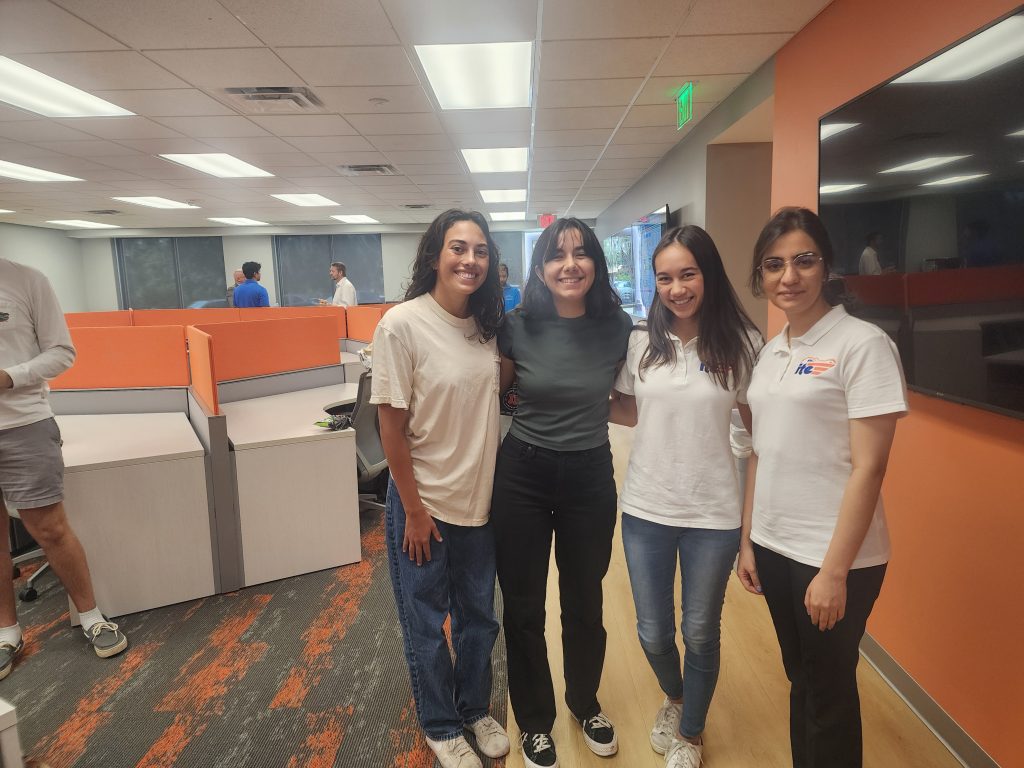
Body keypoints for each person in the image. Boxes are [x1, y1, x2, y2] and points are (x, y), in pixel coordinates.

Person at [737, 207, 907, 768]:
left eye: (803, 261)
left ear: (827, 266)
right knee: (801, 678)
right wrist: (748, 540)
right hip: (774, 545)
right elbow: (760, 451)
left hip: (834, 556)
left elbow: (870, 468)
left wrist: (834, 572)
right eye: (774, 264)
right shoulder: (772, 352)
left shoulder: (863, 344)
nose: (789, 276)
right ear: (761, 275)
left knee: (828, 691)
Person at [608, 225, 761, 768]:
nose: (676, 288)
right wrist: (566, 395)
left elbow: (758, 441)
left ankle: (691, 734)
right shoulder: (640, 340)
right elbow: (629, 411)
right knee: (652, 632)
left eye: (688, 274)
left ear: (708, 274)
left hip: (713, 515)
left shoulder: (742, 343)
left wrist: (750, 536)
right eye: (665, 278)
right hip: (646, 508)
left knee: (699, 630)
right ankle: (675, 699)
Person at [491, 217, 633, 768]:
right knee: (524, 604)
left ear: (596, 263)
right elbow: (494, 395)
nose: (569, 265)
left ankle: (585, 702)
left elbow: (626, 400)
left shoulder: (617, 325)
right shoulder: (516, 324)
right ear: (541, 268)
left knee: (584, 599)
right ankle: (534, 720)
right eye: (556, 255)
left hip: (589, 475)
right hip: (522, 474)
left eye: (580, 253)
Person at [370, 209, 509, 768]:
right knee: (426, 623)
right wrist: (413, 509)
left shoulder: (486, 326)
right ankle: (441, 723)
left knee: (480, 619)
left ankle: (473, 708)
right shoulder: (401, 324)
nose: (470, 260)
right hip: (423, 503)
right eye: (458, 248)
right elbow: (389, 427)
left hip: (479, 500)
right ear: (434, 255)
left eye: (480, 250)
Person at [0, 257, 129, 679]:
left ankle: (91, 617)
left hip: (22, 423)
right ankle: (6, 633)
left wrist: (9, 376)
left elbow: (61, 352)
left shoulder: (25, 280)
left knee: (51, 529)